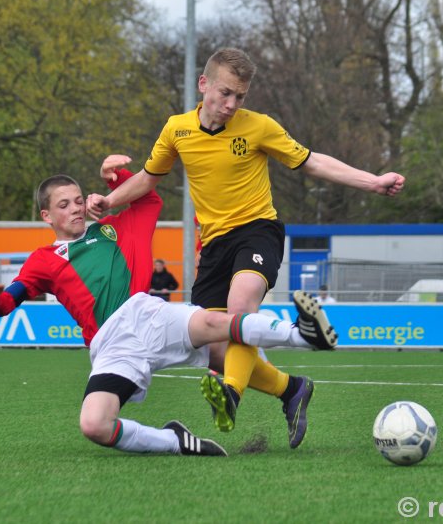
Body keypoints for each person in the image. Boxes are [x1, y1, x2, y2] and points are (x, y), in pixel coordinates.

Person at [92, 47, 400, 445]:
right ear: (204, 85)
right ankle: (292, 390)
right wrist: (109, 200)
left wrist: (372, 181)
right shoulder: (176, 130)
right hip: (215, 245)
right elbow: (150, 178)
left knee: (240, 308)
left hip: (258, 230)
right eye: (225, 93)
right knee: (217, 345)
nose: (232, 104)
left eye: (240, 96)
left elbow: (312, 162)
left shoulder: (259, 127)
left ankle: (230, 394)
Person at [0, 169, 335, 458]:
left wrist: (116, 177)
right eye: (64, 204)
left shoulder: (113, 228)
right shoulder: (42, 260)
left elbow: (149, 197)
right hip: (112, 346)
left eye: (78, 200)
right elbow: (5, 305)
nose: (75, 208)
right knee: (94, 425)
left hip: (146, 314)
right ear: (46, 215)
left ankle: (303, 335)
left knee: (217, 330)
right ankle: (176, 440)